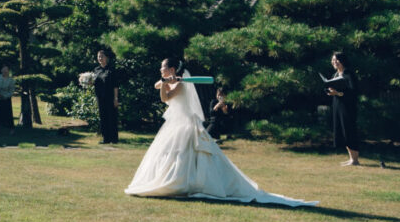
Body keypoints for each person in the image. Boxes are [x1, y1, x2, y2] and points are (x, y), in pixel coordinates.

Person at [125, 59, 315, 206]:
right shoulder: (171, 80)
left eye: (163, 69)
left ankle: (184, 184)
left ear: (172, 69)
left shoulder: (182, 84)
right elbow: (158, 88)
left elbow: (166, 98)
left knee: (191, 154)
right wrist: (165, 82)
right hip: (174, 125)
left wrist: (169, 84)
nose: (161, 71)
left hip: (185, 125)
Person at [324, 52, 363, 166]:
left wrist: (339, 93)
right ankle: (351, 158)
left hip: (347, 106)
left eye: (336, 60)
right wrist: (331, 91)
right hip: (337, 105)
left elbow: (353, 91)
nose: (334, 62)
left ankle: (355, 160)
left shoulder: (348, 73)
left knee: (349, 131)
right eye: (333, 60)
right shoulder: (336, 74)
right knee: (342, 131)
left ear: (342, 61)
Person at [91, 47, 121, 143]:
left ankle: (114, 139)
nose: (100, 58)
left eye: (102, 56)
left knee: (111, 117)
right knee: (103, 117)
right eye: (98, 57)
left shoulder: (111, 70)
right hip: (100, 97)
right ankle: (106, 138)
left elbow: (115, 85)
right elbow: (94, 82)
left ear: (106, 58)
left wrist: (116, 99)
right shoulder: (96, 70)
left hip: (110, 97)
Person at [0, 64, 15, 135]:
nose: (5, 71)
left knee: (8, 114)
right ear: (1, 70)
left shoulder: (11, 80)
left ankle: (11, 129)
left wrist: (5, 96)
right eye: (3, 69)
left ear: (8, 71)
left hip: (6, 99)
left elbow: (11, 91)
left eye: (6, 70)